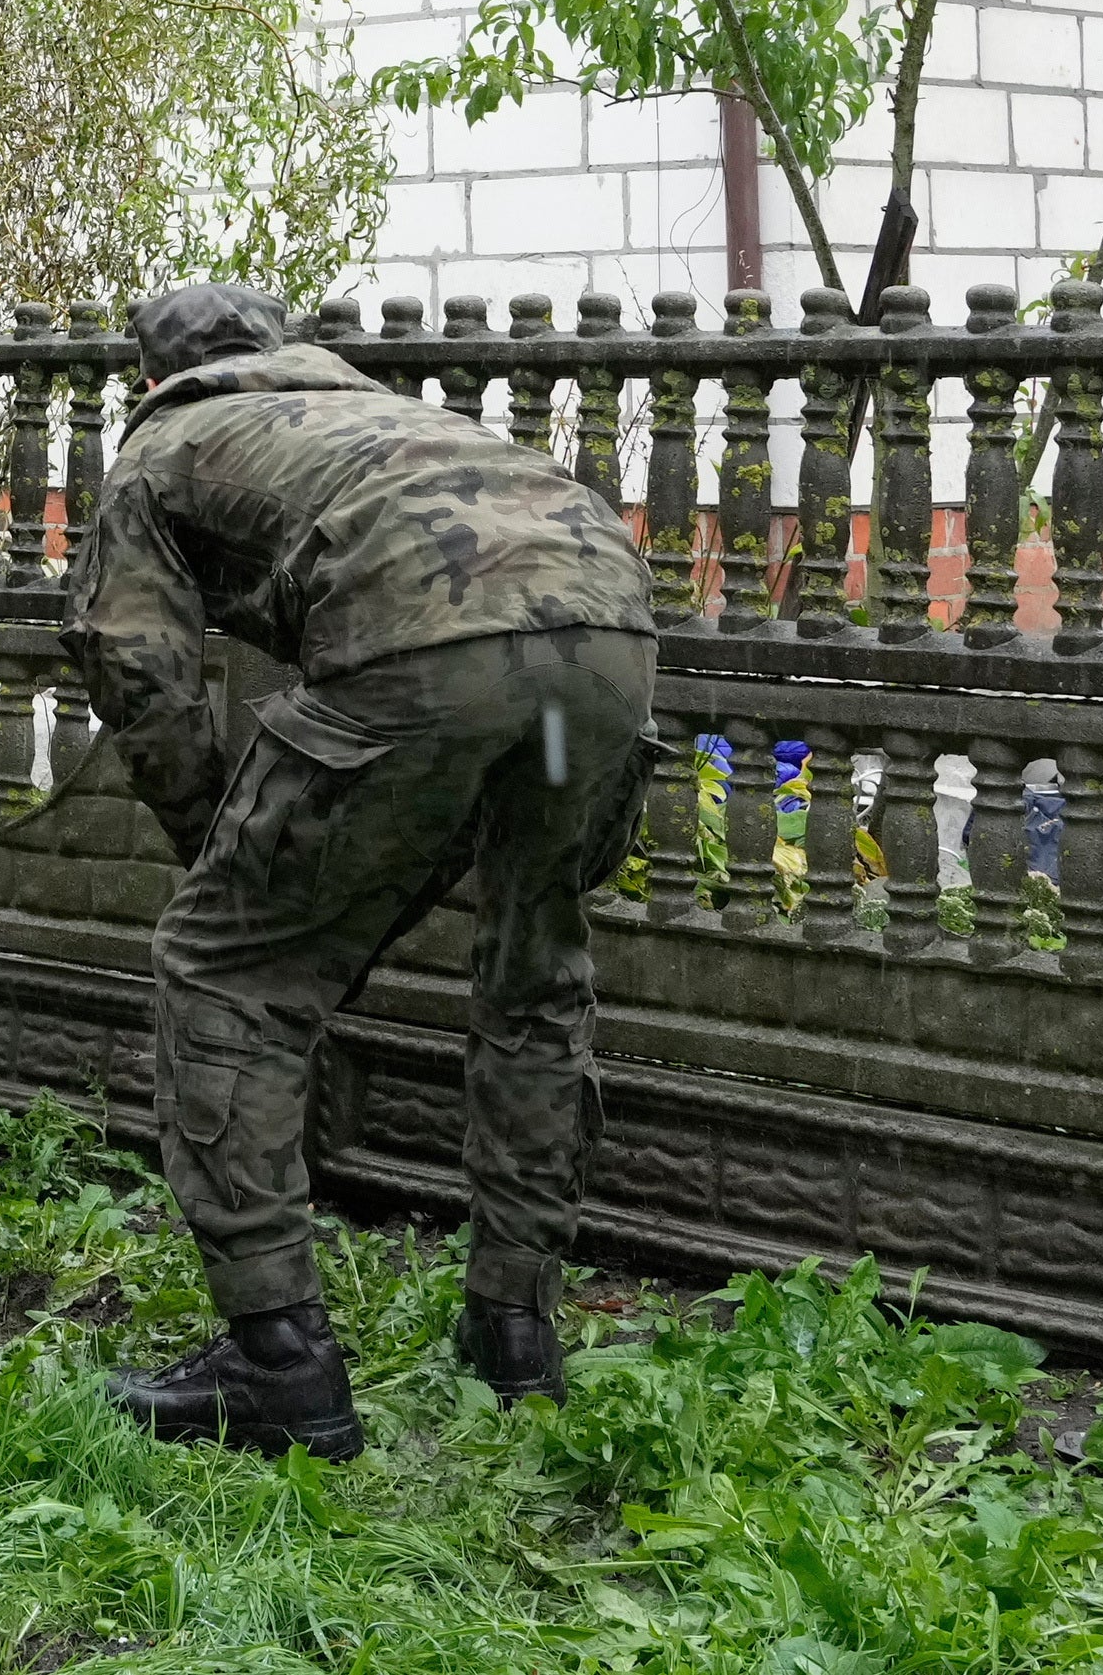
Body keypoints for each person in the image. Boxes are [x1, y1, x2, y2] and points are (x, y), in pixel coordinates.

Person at [64, 282, 660, 1458]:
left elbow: (133, 660)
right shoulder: (375, 412)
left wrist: (212, 843)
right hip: (607, 631)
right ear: (286, 348)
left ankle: (277, 1366)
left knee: (222, 969)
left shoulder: (165, 440)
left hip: (424, 644)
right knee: (534, 963)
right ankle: (514, 1333)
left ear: (148, 377)